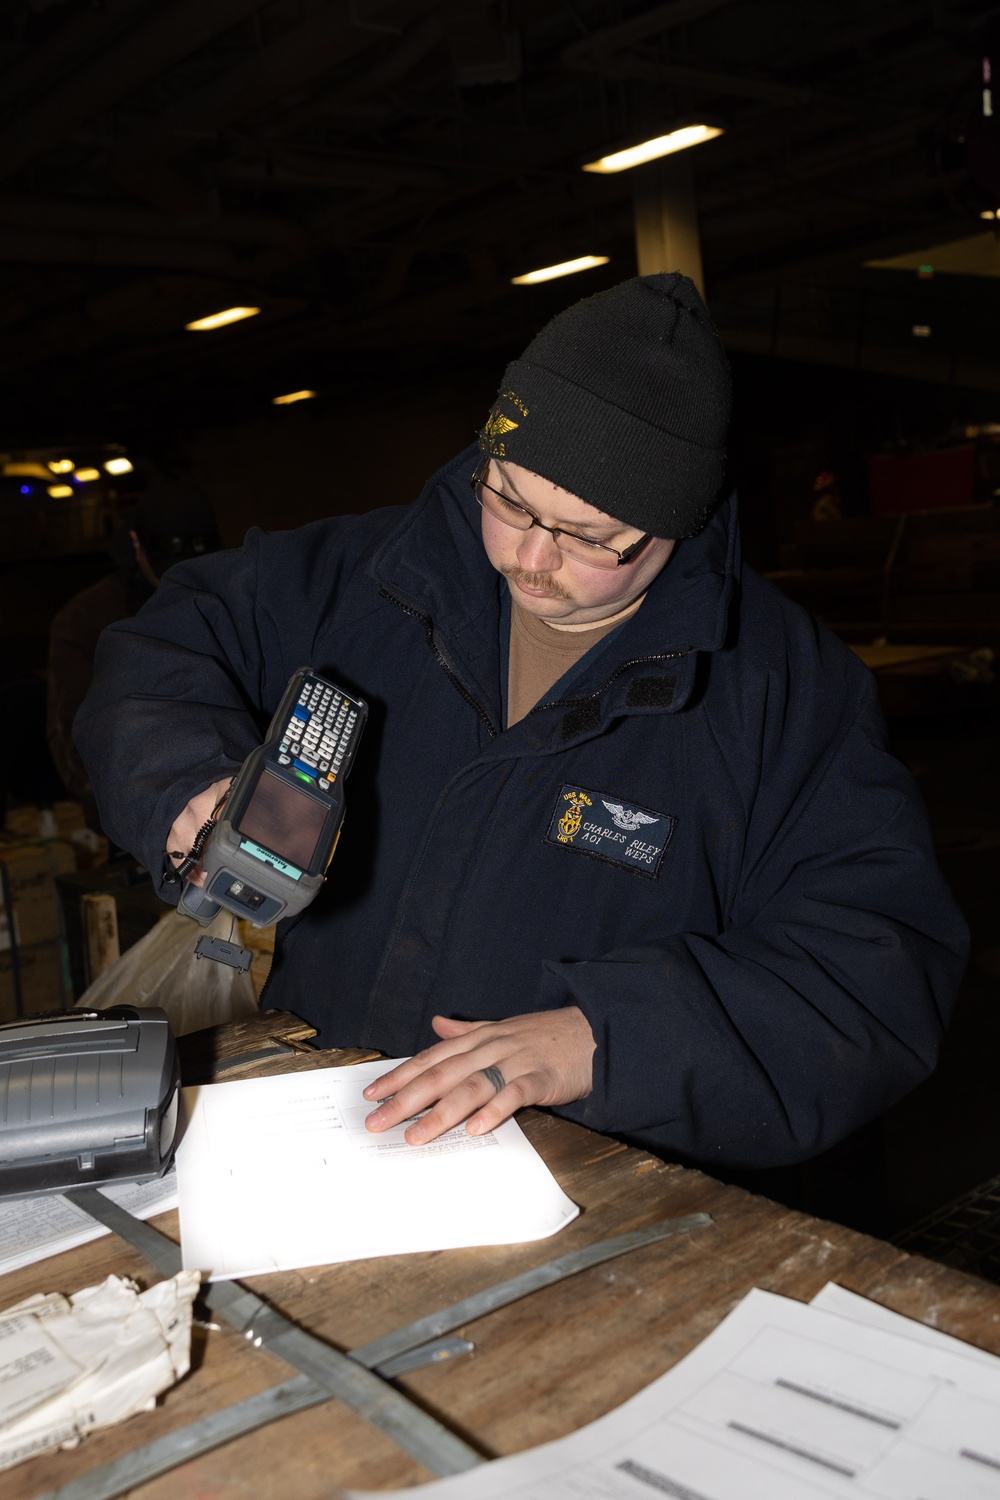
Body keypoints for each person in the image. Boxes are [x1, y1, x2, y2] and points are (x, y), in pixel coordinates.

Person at [75, 273, 968, 1170]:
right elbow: (156, 653)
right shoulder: (366, 575)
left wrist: (604, 1040)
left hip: (587, 1177)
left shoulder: (783, 691)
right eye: (509, 499)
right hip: (326, 1126)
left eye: (591, 538)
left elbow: (873, 974)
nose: (532, 560)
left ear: (676, 525)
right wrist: (187, 777)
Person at [47, 479, 220, 826]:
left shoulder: (228, 595)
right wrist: (147, 818)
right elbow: (71, 738)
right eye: (168, 559)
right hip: (137, 825)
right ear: (136, 544)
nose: (181, 575)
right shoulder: (86, 619)